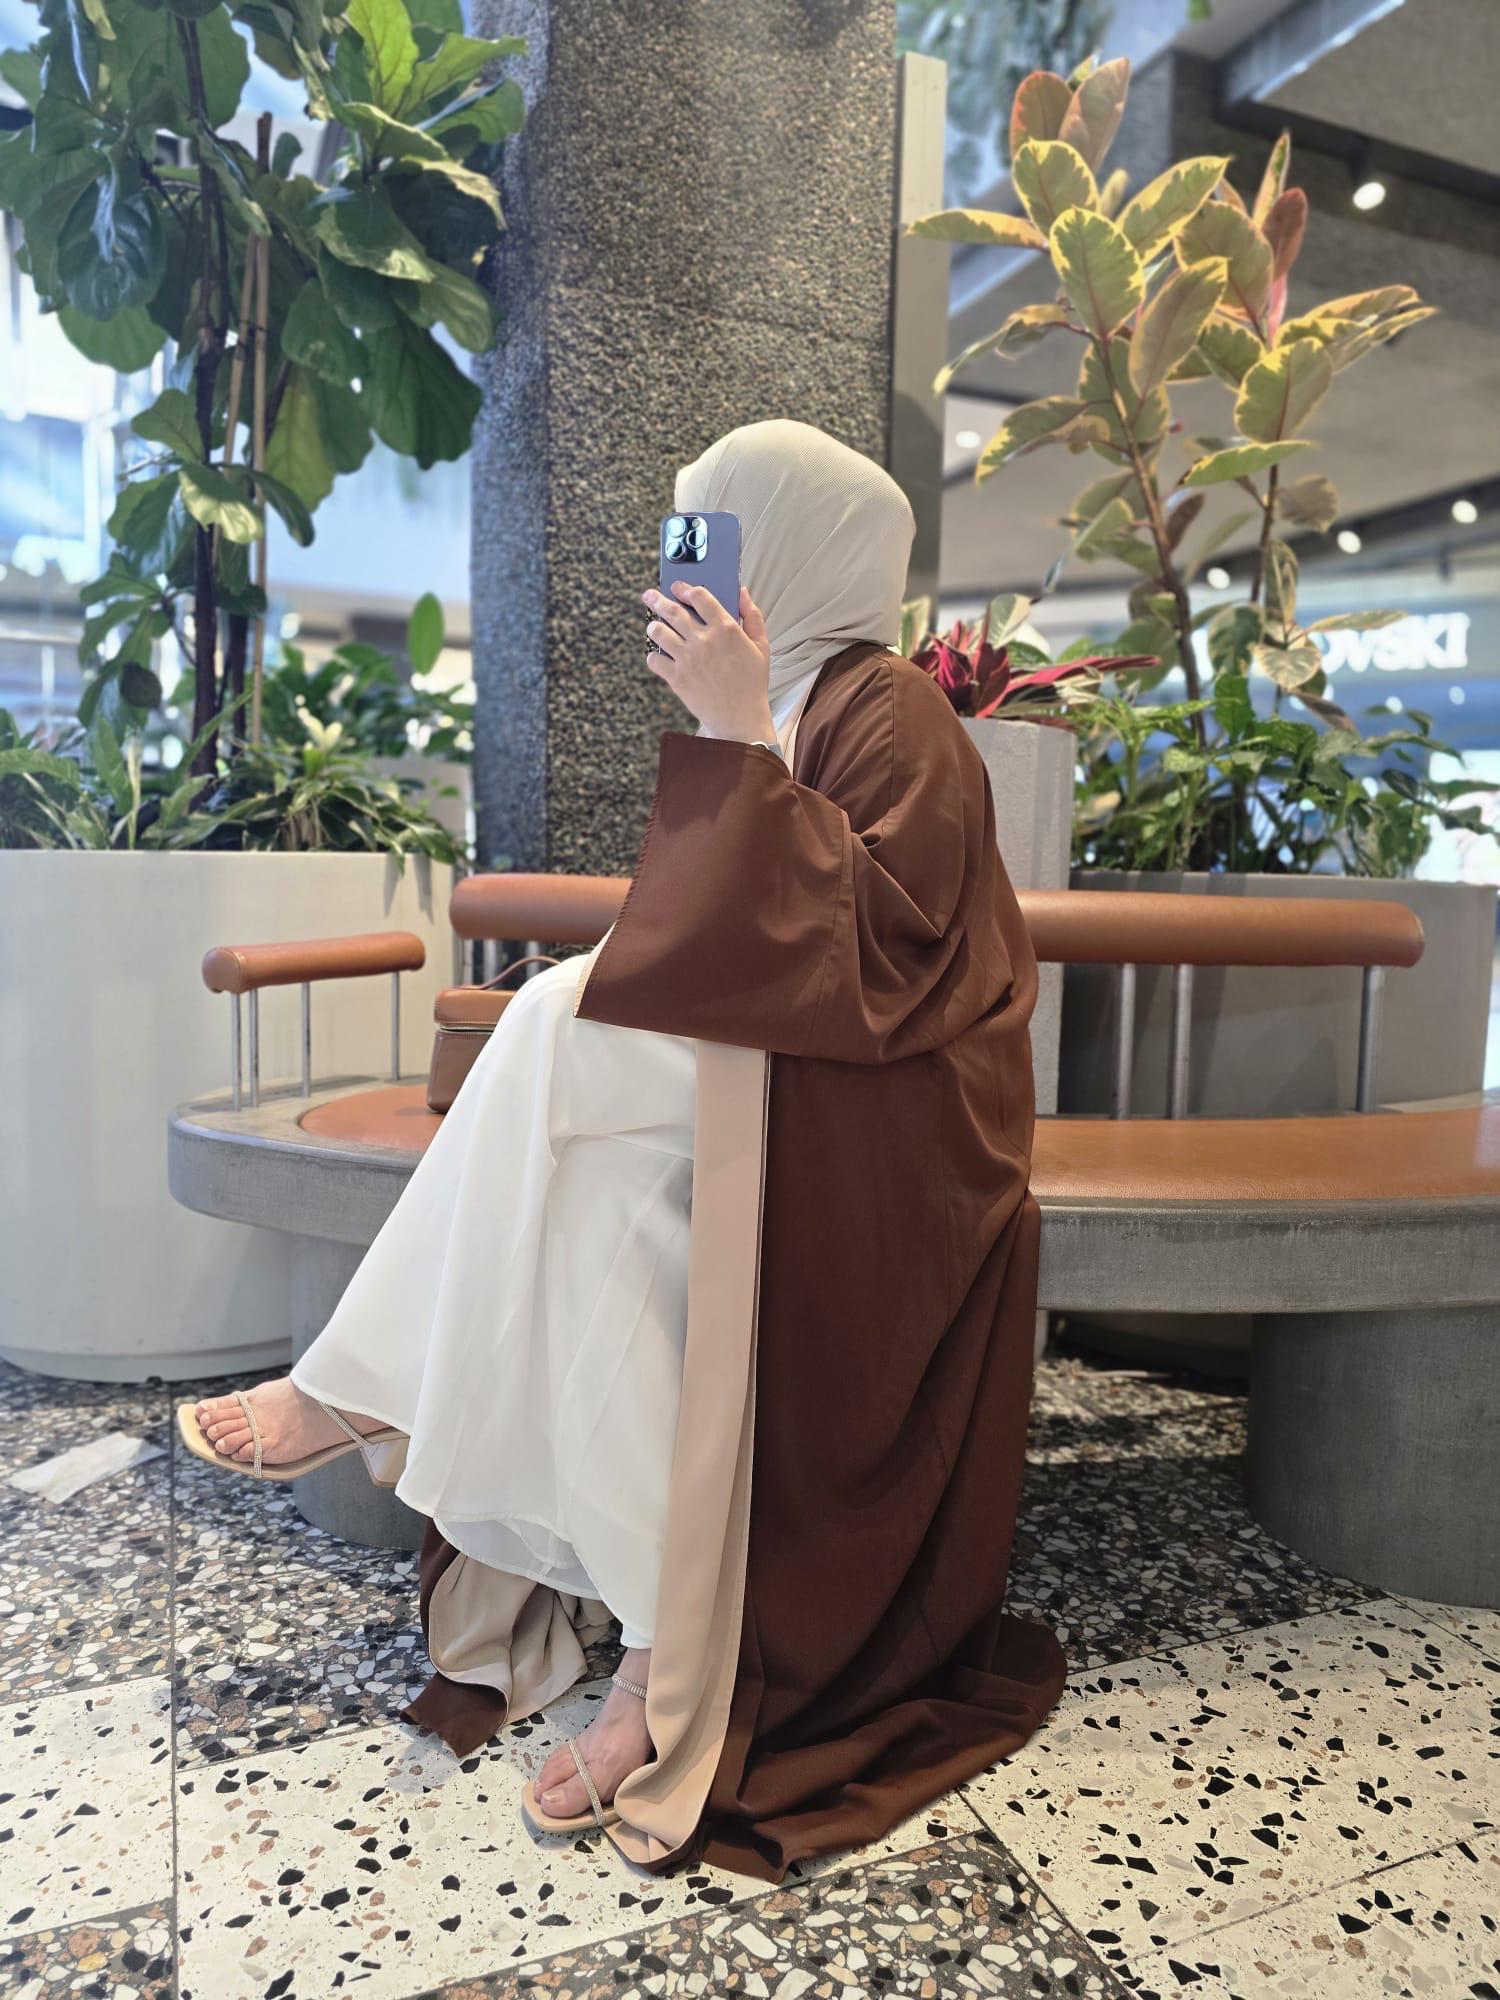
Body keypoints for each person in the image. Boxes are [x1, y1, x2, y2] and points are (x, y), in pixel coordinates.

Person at [179, 419, 1066, 1878]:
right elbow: (717, 942)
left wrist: (736, 736)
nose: (689, 556)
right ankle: (659, 1655)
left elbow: (888, 958)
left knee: (543, 1023)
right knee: (601, 1219)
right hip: (784, 1075)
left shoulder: (890, 707)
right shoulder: (788, 694)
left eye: (717, 525)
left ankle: (353, 1391)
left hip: (900, 1125)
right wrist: (738, 728)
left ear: (798, 545)